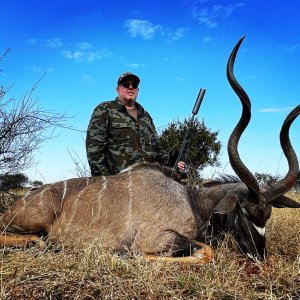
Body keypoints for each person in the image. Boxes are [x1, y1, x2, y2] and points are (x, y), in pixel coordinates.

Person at [86, 72, 185, 176]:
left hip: (148, 182)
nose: (130, 87)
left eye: (134, 85)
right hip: (118, 184)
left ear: (137, 90)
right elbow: (94, 151)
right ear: (117, 89)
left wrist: (173, 163)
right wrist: (107, 183)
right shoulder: (104, 110)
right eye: (126, 84)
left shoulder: (145, 116)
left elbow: (157, 149)